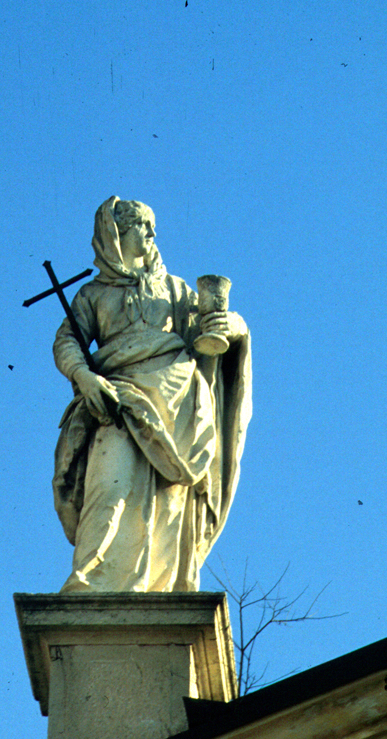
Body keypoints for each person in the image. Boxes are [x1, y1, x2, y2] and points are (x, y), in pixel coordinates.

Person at [52, 196, 252, 593]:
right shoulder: (93, 295)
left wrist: (232, 324)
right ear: (117, 233)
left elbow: (221, 327)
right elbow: (67, 342)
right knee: (108, 488)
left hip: (177, 404)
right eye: (142, 225)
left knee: (169, 503)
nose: (151, 233)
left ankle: (160, 588)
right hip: (117, 399)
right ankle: (93, 583)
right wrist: (85, 378)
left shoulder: (176, 289)